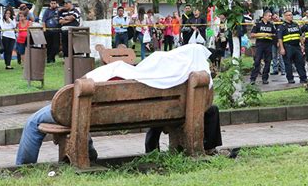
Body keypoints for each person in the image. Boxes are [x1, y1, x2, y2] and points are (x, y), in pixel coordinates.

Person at [16, 44, 215, 165]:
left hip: (79, 111)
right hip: (153, 113)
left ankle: (24, 167)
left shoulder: (124, 71)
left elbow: (76, 91)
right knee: (84, 112)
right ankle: (89, 152)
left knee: (34, 122)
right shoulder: (179, 82)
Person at [278, 10, 307, 84]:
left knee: (300, 63)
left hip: (297, 47)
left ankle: (303, 78)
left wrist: (302, 45)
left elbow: (300, 35)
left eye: (291, 15)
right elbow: (280, 38)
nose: (290, 16)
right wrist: (282, 48)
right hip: (288, 47)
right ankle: (290, 79)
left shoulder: (295, 24)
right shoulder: (282, 26)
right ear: (285, 17)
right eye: (288, 15)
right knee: (288, 64)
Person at [250, 10, 276, 85]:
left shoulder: (271, 25)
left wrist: (271, 35)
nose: (270, 17)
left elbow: (274, 34)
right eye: (269, 16)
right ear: (264, 16)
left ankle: (265, 78)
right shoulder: (258, 24)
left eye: (271, 16)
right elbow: (252, 35)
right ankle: (253, 78)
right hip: (260, 45)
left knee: (268, 62)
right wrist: (263, 34)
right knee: (257, 61)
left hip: (268, 45)